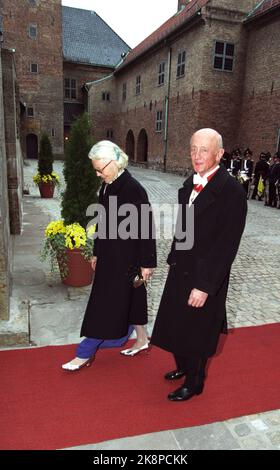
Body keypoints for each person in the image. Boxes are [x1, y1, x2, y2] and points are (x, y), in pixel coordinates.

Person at [151, 128, 247, 401]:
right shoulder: (188, 185)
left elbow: (226, 246)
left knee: (197, 330)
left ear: (219, 154)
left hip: (206, 274)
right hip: (182, 266)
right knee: (176, 321)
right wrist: (173, 256)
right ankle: (182, 367)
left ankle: (195, 382)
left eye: (204, 150)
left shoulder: (232, 192)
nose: (197, 155)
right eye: (193, 149)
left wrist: (205, 286)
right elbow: (183, 228)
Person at [62, 140, 157, 371]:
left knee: (104, 304)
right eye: (95, 169)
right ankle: (142, 339)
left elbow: (146, 227)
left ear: (114, 162)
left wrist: (147, 263)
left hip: (127, 260)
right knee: (133, 298)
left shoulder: (133, 189)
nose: (97, 174)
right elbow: (101, 222)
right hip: (109, 256)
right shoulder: (107, 185)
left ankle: (84, 352)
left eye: (100, 169)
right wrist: (96, 251)